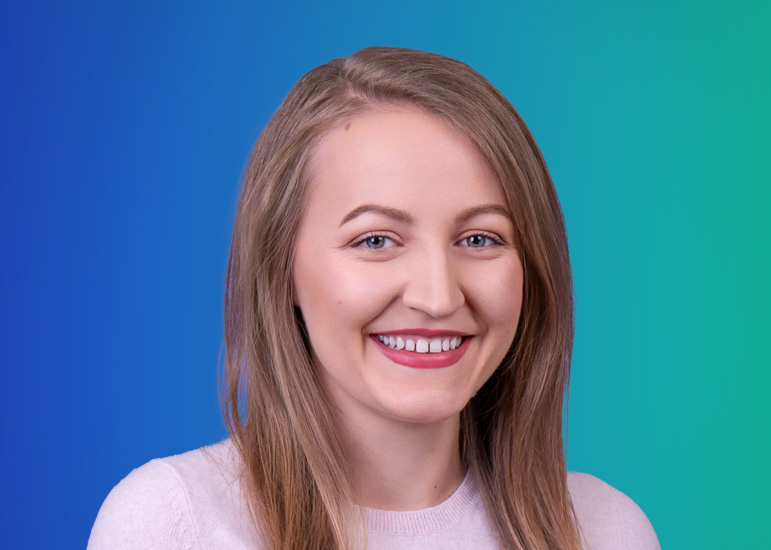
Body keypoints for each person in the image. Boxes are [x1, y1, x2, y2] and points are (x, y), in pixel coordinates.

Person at [88, 46, 660, 549]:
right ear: (281, 269)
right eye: (376, 240)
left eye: (479, 239)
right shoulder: (172, 524)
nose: (437, 297)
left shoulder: (606, 531)